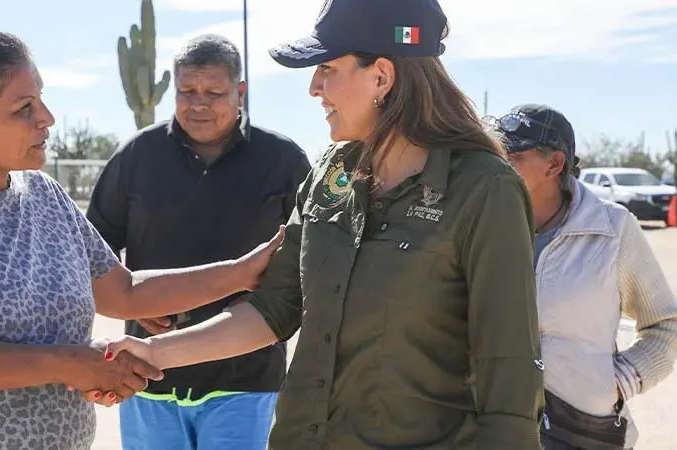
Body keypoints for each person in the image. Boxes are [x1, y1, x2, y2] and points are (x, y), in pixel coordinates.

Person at [90, 1, 546, 448]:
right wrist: (154, 353)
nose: (314, 87)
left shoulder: (484, 190)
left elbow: (508, 370)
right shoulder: (332, 173)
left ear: (382, 77)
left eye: (327, 67)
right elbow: (273, 309)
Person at [0, 29, 284, 450]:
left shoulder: (44, 195)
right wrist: (68, 363)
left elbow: (123, 292)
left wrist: (243, 273)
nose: (46, 118)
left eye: (41, 100)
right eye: (23, 107)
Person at [86, 33, 311, 450]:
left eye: (214, 92)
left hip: (246, 380)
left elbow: (308, 260)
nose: (198, 104)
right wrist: (136, 300)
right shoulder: (136, 156)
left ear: (240, 91)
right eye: (187, 91)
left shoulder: (283, 161)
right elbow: (91, 254)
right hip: (147, 379)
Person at [490, 104, 677, 450]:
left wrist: (614, 385)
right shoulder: (484, 226)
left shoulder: (612, 229)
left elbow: (665, 325)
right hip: (497, 430)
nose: (497, 166)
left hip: (585, 433)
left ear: (554, 164)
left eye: (511, 156)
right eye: (494, 155)